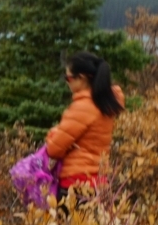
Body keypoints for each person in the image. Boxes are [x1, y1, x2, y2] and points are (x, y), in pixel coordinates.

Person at [45, 51, 124, 199]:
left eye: (68, 78)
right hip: (99, 183)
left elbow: (53, 149)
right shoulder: (104, 102)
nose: (67, 82)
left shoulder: (83, 107)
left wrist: (53, 133)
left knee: (67, 223)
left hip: (74, 184)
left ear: (81, 78)